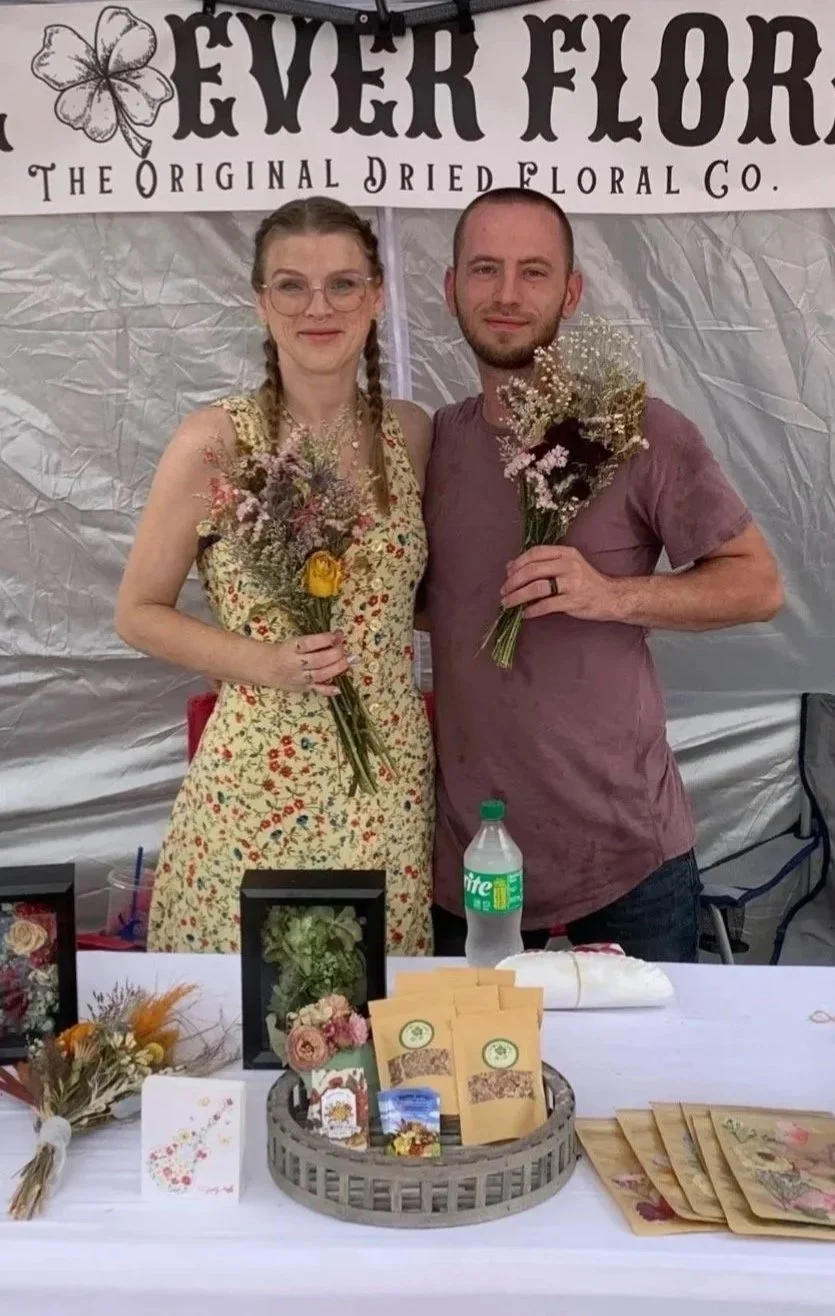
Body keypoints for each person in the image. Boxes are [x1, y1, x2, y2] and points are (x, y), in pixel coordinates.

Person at [422, 187, 784, 962]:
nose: (507, 294)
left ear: (571, 291)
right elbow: (420, 601)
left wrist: (607, 593)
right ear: (449, 289)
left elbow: (757, 585)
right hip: (466, 862)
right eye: (484, 270)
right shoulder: (429, 449)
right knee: (470, 1078)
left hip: (627, 858)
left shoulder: (641, 431)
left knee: (646, 1083)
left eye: (533, 271)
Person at [116, 197, 434, 955]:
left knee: (374, 1021)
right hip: (255, 785)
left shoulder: (412, 434)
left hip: (387, 781)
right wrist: (265, 662)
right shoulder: (215, 440)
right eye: (291, 286)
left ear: (377, 294)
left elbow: (402, 601)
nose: (317, 307)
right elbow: (137, 611)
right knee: (245, 1030)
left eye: (342, 284)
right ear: (261, 302)